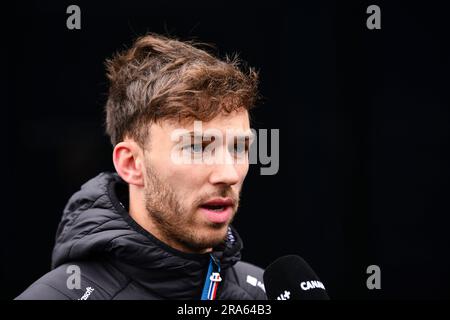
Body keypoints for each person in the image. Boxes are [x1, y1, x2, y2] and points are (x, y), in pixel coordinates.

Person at [16, 33, 267, 300]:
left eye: (238, 148)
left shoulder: (266, 293)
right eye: (197, 148)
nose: (228, 174)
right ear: (132, 164)